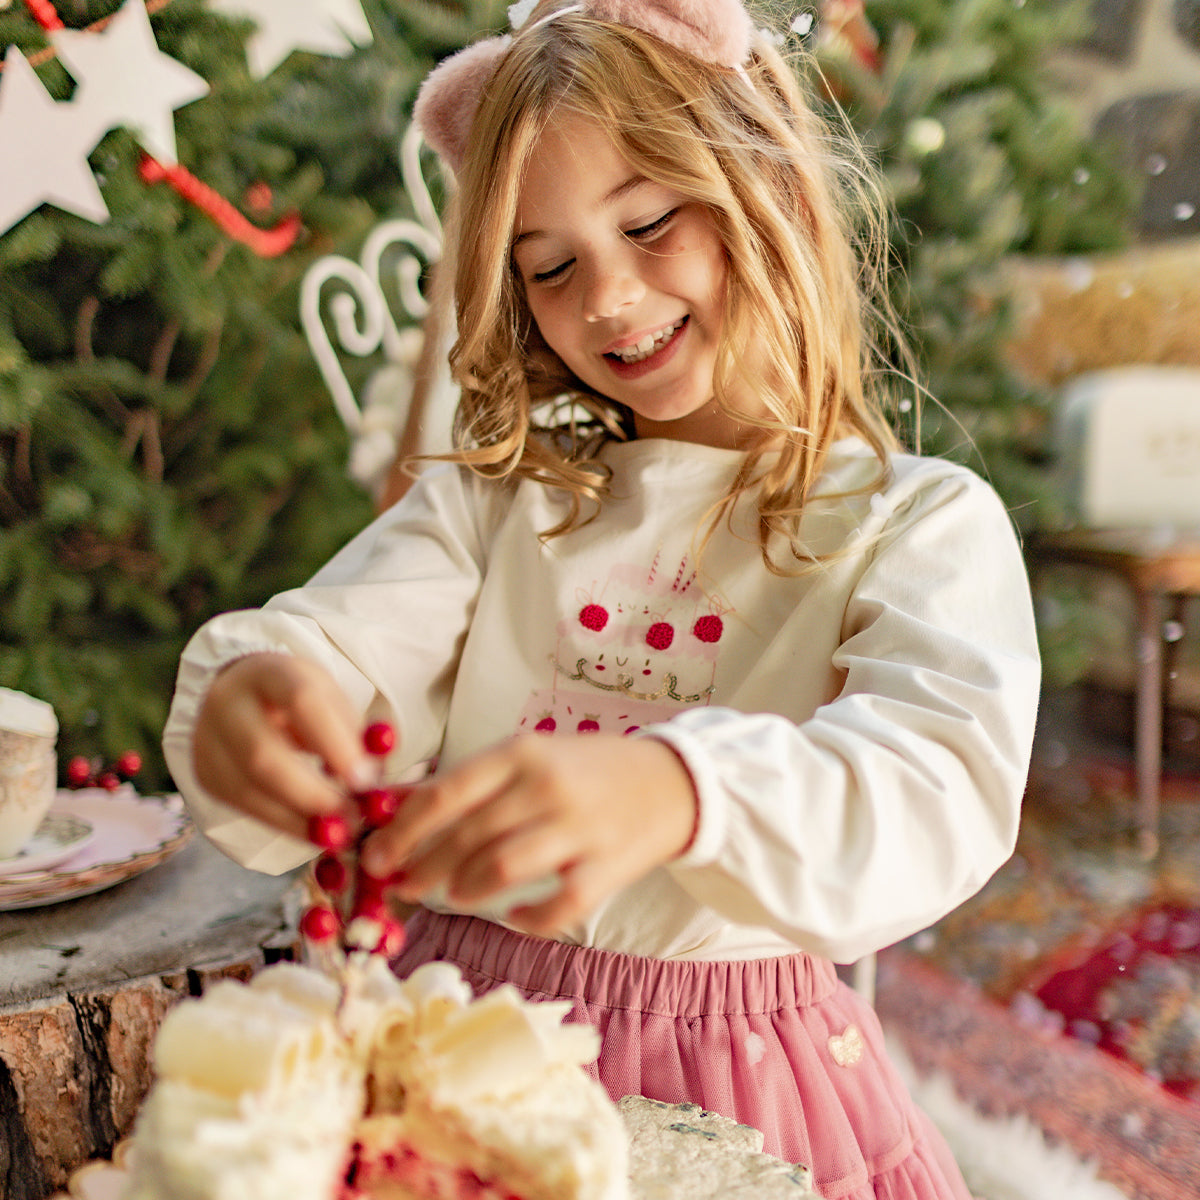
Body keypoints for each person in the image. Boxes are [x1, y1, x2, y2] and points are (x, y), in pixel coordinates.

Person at [163, 3, 1041, 1197]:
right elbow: (336, 646)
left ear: (765, 183)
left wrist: (682, 790)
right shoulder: (499, 508)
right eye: (552, 266)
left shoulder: (915, 524)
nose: (611, 300)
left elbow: (931, 786)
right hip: (450, 1054)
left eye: (649, 223)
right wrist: (260, 699)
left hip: (737, 1090)